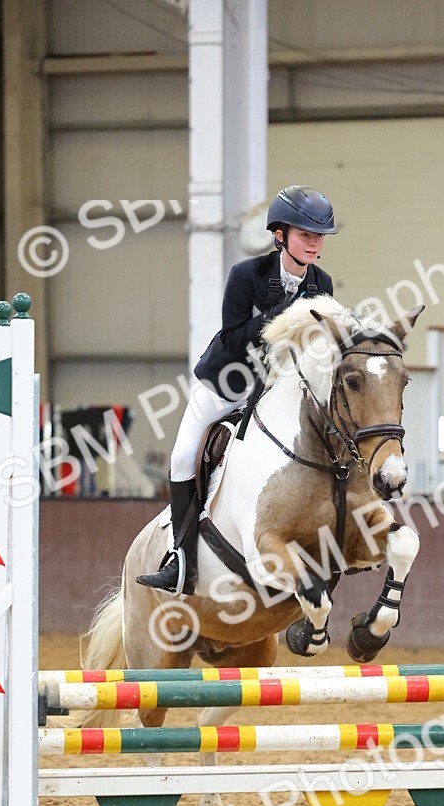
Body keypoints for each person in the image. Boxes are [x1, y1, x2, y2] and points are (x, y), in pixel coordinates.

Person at [136, 185, 337, 594]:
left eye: (319, 236)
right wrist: (280, 314)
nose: (314, 243)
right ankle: (180, 559)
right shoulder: (247, 275)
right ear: (280, 236)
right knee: (181, 455)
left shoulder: (323, 284)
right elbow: (231, 338)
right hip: (226, 385)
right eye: (305, 234)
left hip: (274, 394)